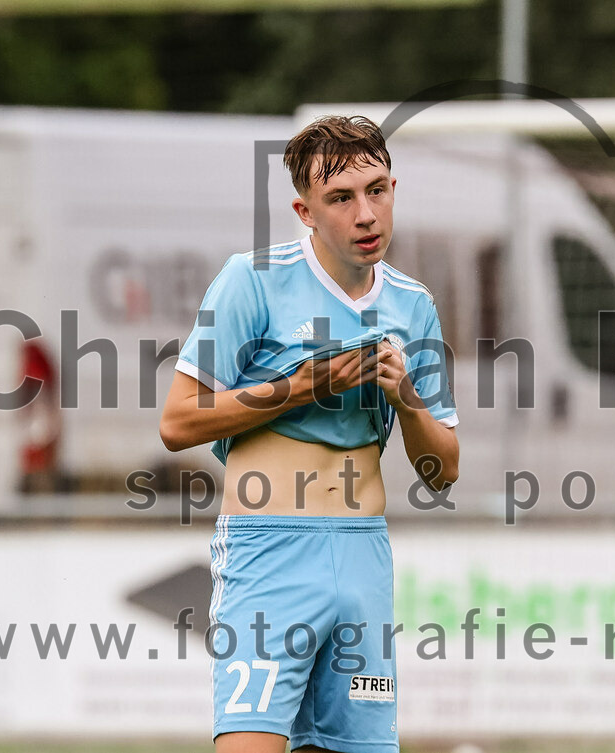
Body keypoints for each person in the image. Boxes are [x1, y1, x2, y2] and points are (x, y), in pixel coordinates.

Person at [159, 115, 459, 753]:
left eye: (377, 190)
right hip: (269, 552)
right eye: (342, 198)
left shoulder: (414, 305)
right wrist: (295, 388)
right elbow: (177, 421)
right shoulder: (252, 280)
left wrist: (408, 402)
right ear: (305, 210)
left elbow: (445, 470)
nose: (366, 214)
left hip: (362, 558)